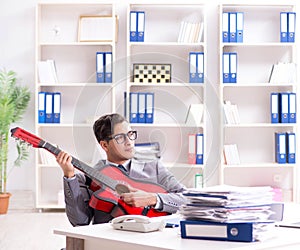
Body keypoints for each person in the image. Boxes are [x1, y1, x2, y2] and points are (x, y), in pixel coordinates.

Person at [56, 113, 187, 226]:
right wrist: (69, 176)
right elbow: (80, 222)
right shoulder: (88, 178)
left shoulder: (154, 166)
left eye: (130, 134)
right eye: (120, 138)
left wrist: (153, 199)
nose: (129, 141)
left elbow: (187, 199)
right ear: (105, 145)